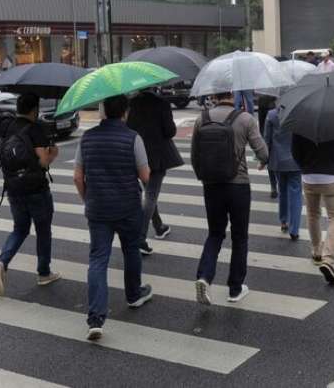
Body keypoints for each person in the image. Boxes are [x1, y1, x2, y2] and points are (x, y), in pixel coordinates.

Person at [74, 95, 152, 341]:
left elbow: (78, 177)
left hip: (98, 209)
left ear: (103, 111)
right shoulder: (133, 138)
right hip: (128, 206)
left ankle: (95, 318)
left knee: (98, 260)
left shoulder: (86, 138)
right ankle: (133, 294)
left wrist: (88, 199)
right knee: (131, 250)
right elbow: (146, 176)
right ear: (125, 112)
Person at [191, 91, 269, 305]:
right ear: (233, 95)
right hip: (239, 185)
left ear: (214, 95)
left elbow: (194, 156)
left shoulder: (201, 119)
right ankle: (235, 288)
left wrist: (204, 177)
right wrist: (262, 160)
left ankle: (204, 277)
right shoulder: (245, 119)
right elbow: (262, 152)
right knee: (239, 237)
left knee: (215, 234)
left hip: (211, 185)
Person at [0, 93, 61, 297]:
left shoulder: (6, 126)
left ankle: (2, 262)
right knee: (43, 230)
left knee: (20, 229)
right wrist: (53, 153)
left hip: (12, 187)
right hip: (36, 188)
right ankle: (44, 272)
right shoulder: (35, 128)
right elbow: (42, 161)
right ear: (34, 110)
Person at [127, 89, 182, 256]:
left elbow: (128, 127)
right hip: (157, 156)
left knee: (150, 194)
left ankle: (159, 227)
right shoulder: (162, 103)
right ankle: (140, 238)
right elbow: (170, 131)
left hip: (136, 154)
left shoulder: (132, 103)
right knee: (151, 195)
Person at [291, 134, 334, 285]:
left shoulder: (300, 124)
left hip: (309, 176)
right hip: (331, 175)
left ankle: (317, 252)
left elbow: (295, 152)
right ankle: (328, 259)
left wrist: (305, 167)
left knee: (313, 214)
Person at [264, 105, 303, 240]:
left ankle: (284, 221)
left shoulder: (272, 115)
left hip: (278, 161)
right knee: (296, 194)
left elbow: (267, 140)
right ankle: (294, 229)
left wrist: (264, 160)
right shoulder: (300, 114)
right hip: (296, 160)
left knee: (282, 190)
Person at [257, 94, 278, 198]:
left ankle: (273, 186)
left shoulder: (263, 96)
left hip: (267, 130)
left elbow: (261, 124)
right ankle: (276, 185)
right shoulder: (286, 88)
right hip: (281, 127)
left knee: (270, 156)